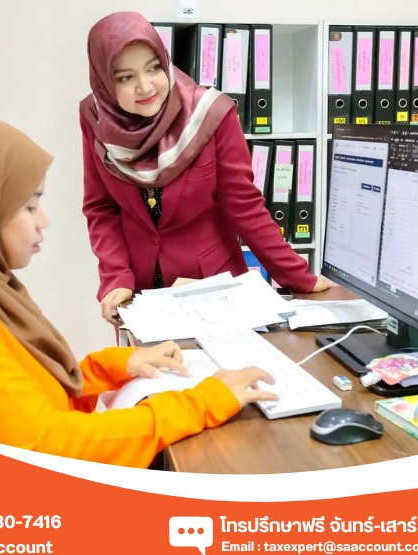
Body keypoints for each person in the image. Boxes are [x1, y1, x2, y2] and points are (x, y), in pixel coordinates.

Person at [0, 115, 276, 469]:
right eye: (29, 207)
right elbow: (49, 449)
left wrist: (113, 367)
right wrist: (200, 403)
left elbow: (31, 396)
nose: (43, 221)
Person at [80, 11, 331, 325]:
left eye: (153, 67)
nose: (145, 87)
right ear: (104, 81)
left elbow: (245, 206)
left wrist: (297, 276)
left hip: (212, 289)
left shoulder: (211, 114)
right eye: (125, 77)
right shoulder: (96, 118)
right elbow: (101, 207)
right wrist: (116, 276)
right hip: (139, 297)